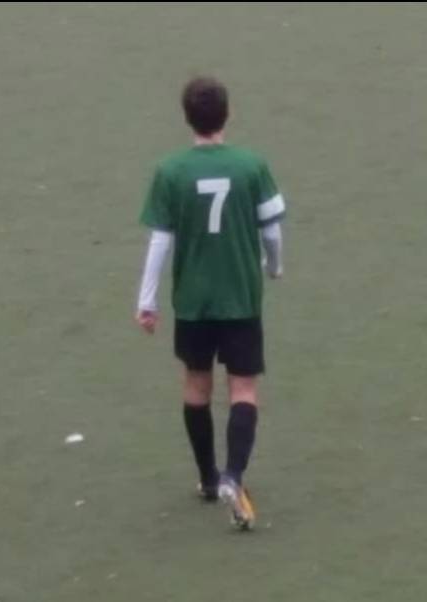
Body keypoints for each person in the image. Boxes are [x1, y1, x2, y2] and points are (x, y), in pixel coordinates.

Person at [135, 76, 285, 530]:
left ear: (187, 118)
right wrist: (274, 266)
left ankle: (207, 477)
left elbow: (161, 240)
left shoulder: (171, 171)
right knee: (243, 389)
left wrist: (147, 300)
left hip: (193, 301)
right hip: (240, 295)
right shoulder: (251, 166)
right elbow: (272, 230)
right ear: (228, 114)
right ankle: (233, 477)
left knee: (196, 386)